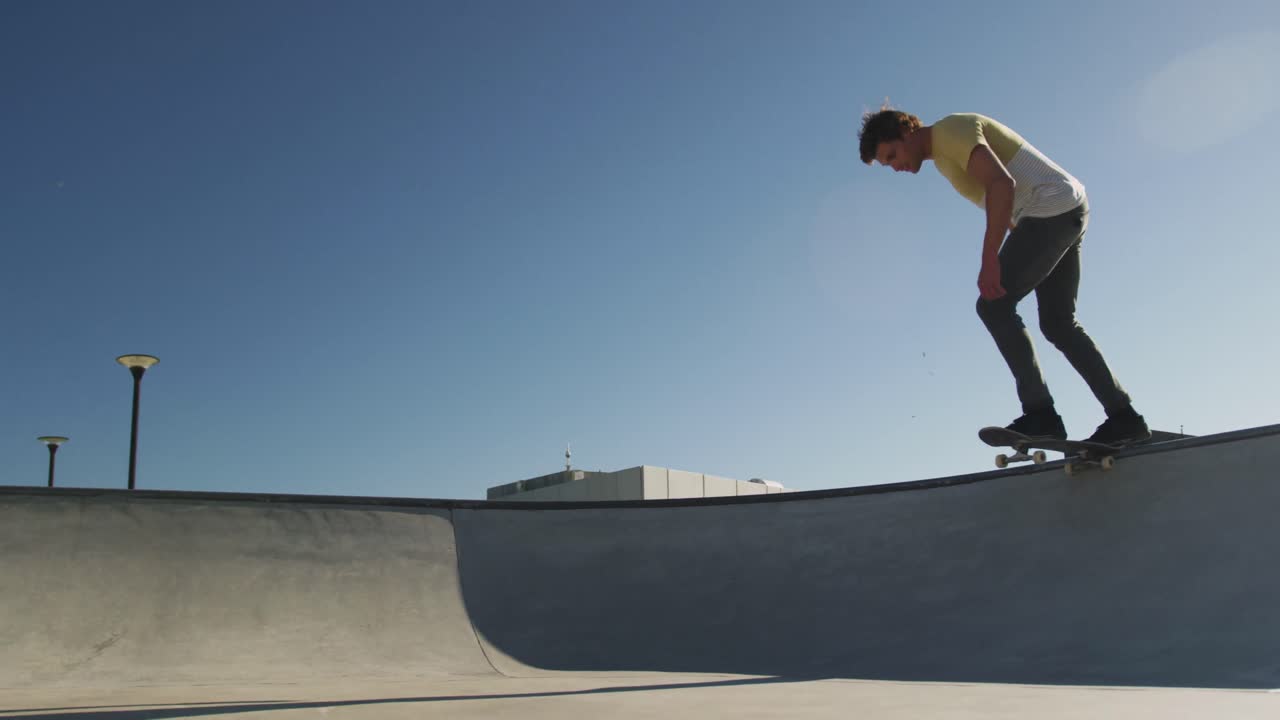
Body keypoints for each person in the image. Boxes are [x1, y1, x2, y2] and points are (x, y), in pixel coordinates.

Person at [857, 108, 1150, 445]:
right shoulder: (944, 160)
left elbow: (1001, 184)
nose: (895, 167)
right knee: (1058, 323)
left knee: (994, 306)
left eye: (892, 155)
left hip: (1050, 207)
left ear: (906, 131)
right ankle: (1125, 418)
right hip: (1061, 210)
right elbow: (1005, 208)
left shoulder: (952, 132)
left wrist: (990, 260)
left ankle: (1040, 414)